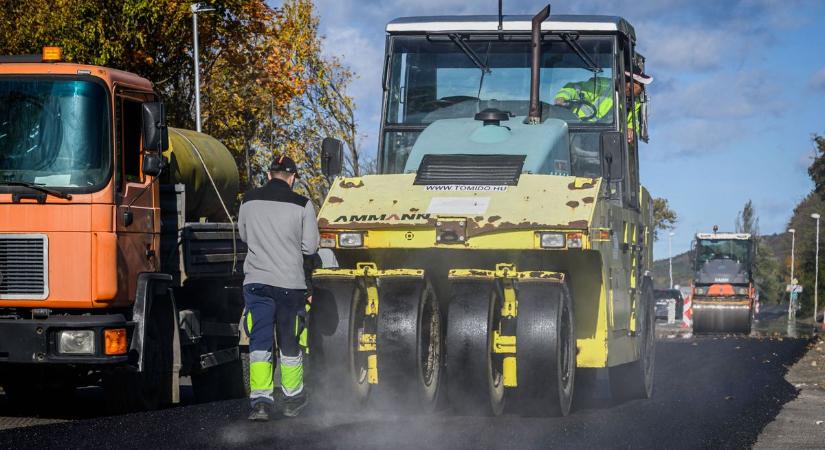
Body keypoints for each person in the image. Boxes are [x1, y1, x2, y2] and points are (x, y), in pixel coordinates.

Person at [238, 154, 320, 422]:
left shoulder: (248, 200)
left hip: (257, 283)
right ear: (293, 177)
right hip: (290, 285)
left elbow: (244, 236)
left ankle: (261, 403)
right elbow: (310, 247)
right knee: (290, 342)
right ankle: (292, 400)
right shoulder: (303, 204)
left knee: (259, 341)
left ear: (269, 175)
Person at [554, 65, 652, 142]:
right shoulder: (603, 85)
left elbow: (632, 121)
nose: (642, 89)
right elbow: (576, 88)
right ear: (630, 83)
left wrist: (630, 129)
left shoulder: (634, 102)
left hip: (603, 141)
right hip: (578, 129)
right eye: (640, 85)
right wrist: (562, 97)